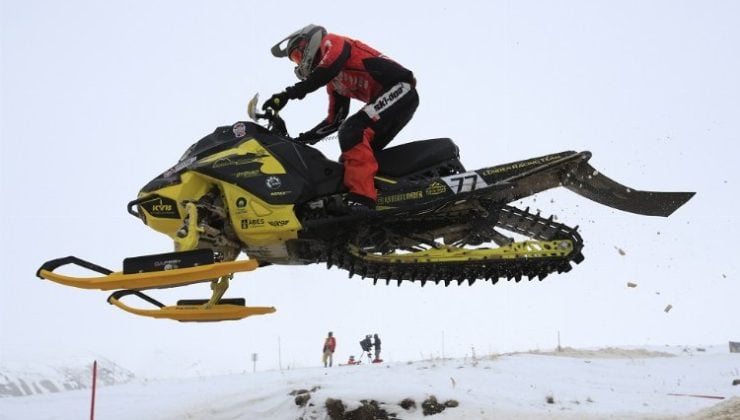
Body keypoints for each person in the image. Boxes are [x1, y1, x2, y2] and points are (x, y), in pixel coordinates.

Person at [264, 24, 419, 212]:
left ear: (308, 42)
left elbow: (327, 69)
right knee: (349, 157)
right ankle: (392, 194)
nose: (299, 63)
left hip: (400, 86)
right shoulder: (335, 82)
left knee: (354, 130)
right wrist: (299, 141)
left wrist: (286, 95)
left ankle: (362, 199)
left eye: (297, 56)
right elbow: (335, 121)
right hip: (396, 99)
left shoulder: (332, 42)